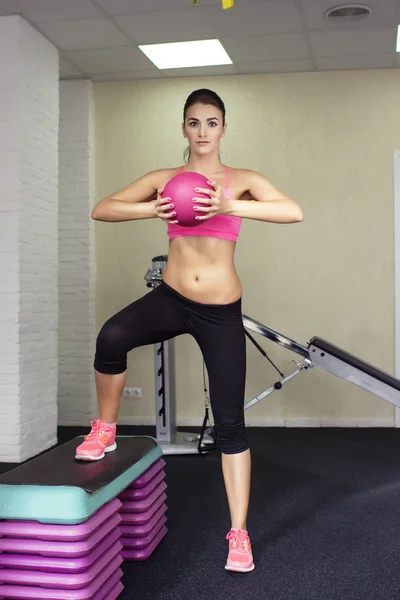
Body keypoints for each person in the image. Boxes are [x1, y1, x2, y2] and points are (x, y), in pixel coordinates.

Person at [75, 88, 304, 573]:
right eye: (194, 123)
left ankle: (238, 534)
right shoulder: (166, 179)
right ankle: (107, 428)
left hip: (220, 311)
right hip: (172, 298)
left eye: (212, 122)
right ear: (184, 129)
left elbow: (292, 211)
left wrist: (228, 207)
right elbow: (102, 207)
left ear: (224, 128)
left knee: (229, 426)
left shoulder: (240, 182)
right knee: (111, 337)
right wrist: (148, 209)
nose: (203, 132)